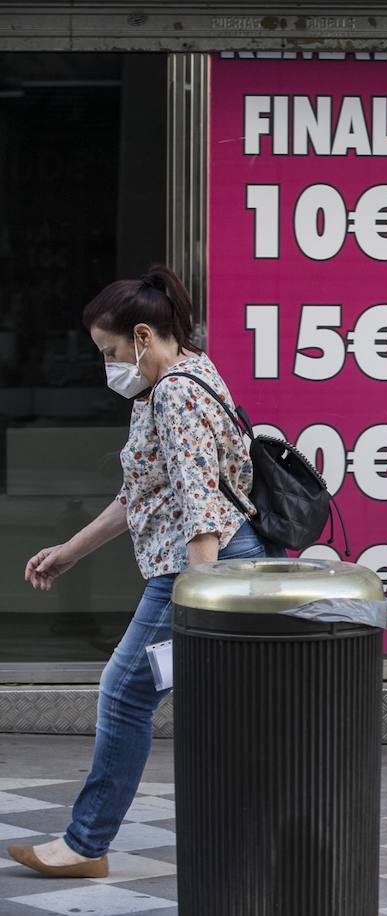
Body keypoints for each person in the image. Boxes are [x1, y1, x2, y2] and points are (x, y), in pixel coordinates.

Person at [7, 266, 272, 879]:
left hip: (199, 564)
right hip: (215, 559)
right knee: (215, 702)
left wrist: (198, 599)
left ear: (144, 336)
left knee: (125, 692)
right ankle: (256, 833)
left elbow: (201, 503)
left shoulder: (175, 393)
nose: (108, 366)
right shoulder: (187, 374)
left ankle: (84, 843)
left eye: (110, 351)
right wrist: (71, 550)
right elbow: (143, 494)